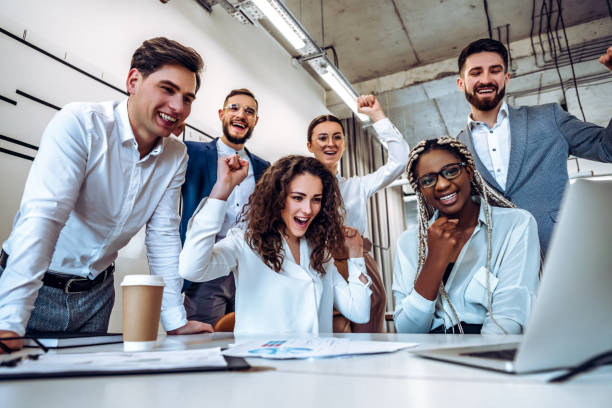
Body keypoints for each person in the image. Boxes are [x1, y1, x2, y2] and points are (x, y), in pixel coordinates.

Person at [0, 37, 212, 353]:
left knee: (82, 397)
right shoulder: (82, 124)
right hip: (32, 288)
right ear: (133, 81)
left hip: (96, 296)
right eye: (167, 89)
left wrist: (175, 320)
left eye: (187, 98)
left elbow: (163, 236)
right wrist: (9, 321)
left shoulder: (176, 155)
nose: (178, 107)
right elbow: (44, 217)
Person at [179, 155, 371, 334]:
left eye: (316, 200)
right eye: (297, 197)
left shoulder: (320, 251)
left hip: (315, 366)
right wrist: (221, 191)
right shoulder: (245, 242)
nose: (307, 209)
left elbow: (359, 312)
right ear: (278, 198)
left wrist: (356, 255)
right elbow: (191, 268)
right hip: (262, 365)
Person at [456, 39, 612, 254]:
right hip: (502, 265)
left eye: (495, 71)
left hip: (562, 251)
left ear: (506, 78)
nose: (486, 79)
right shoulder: (455, 150)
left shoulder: (549, 118)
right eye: (475, 72)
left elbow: (607, 148)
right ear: (461, 83)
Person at [393, 138, 540, 334]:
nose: (442, 184)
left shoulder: (515, 225)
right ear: (421, 190)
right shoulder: (409, 242)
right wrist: (434, 261)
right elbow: (407, 330)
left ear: (469, 171)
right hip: (427, 354)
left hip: (488, 352)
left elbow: (508, 318)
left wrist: (476, 361)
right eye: (428, 180)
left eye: (451, 171)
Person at [306, 95, 409, 332]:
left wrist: (377, 116)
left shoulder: (357, 186)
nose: (330, 143)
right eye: (322, 138)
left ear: (344, 144)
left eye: (337, 137)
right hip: (318, 265)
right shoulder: (298, 189)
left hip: (358, 262)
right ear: (310, 146)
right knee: (327, 334)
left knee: (367, 334)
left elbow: (400, 161)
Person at [179, 88, 270, 327]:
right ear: (221, 114)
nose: (241, 114)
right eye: (234, 108)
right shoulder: (192, 153)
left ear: (255, 121)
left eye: (249, 112)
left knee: (248, 337)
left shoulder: (264, 168)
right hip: (207, 265)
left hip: (249, 270)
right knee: (202, 343)